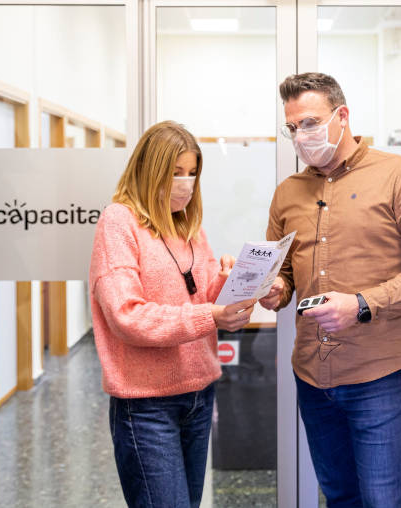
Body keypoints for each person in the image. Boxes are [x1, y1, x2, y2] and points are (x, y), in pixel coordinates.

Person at [261, 73, 401, 507]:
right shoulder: (288, 193)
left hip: (379, 374)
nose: (300, 136)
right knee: (340, 497)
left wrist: (364, 304)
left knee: (384, 500)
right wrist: (276, 288)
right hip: (313, 372)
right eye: (292, 128)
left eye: (309, 123)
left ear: (341, 116)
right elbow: (285, 272)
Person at [89, 121, 256, 508]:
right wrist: (212, 317)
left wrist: (229, 283)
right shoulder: (119, 222)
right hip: (147, 405)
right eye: (176, 173)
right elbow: (127, 316)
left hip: (198, 392)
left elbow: (201, 295)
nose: (186, 183)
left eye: (193, 172)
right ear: (150, 172)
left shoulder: (188, 226)